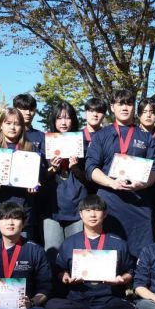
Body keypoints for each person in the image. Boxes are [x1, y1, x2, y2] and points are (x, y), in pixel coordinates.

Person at [45, 195, 138, 309]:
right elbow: (60, 271)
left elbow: (130, 273)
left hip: (109, 300)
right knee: (50, 307)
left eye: (97, 210)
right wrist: (65, 277)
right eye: (88, 210)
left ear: (105, 213)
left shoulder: (118, 243)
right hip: (78, 302)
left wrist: (121, 280)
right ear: (81, 214)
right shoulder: (70, 242)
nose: (93, 214)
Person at [85, 89, 155, 258]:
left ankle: (139, 283)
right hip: (109, 201)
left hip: (139, 200)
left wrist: (142, 183)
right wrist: (111, 182)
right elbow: (91, 168)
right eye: (120, 104)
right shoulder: (101, 135)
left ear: (134, 107)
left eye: (128, 103)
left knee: (141, 249)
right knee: (109, 248)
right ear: (112, 107)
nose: (125, 108)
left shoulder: (146, 137)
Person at [0, 108, 41, 242]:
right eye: (8, 123)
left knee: (23, 256)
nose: (12, 127)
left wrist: (35, 185)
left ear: (22, 127)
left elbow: (39, 176)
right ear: (1, 125)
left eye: (17, 124)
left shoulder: (31, 149)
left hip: (22, 208)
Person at [42, 101, 88, 276]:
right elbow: (38, 179)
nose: (63, 122)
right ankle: (54, 294)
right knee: (52, 252)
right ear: (53, 120)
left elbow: (88, 180)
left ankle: (75, 293)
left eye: (68, 118)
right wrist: (52, 168)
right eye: (60, 118)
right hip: (51, 209)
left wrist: (75, 167)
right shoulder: (46, 143)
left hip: (76, 208)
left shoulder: (81, 143)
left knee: (76, 255)